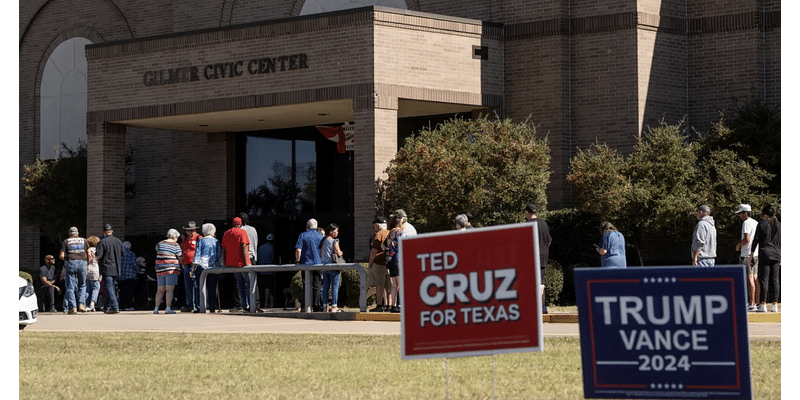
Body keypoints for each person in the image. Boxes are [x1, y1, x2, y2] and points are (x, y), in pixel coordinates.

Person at [751, 204, 781, 313]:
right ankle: (774, 304)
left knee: (764, 279)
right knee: (775, 279)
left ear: (766, 214)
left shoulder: (762, 224)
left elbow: (756, 239)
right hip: (777, 254)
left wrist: (751, 253)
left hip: (765, 253)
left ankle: (763, 304)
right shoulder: (780, 225)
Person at [524, 203, 551, 314]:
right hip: (543, 257)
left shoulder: (527, 225)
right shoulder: (544, 224)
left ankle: (532, 307)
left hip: (531, 258)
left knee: (530, 282)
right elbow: (549, 241)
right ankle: (543, 306)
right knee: (541, 283)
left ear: (528, 212)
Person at [221, 217, 252, 312]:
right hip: (242, 263)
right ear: (241, 224)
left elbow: (224, 249)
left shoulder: (226, 233)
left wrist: (224, 263)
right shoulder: (242, 232)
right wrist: (246, 262)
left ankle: (244, 305)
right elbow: (243, 246)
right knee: (249, 284)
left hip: (232, 263)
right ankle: (251, 305)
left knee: (240, 284)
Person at [59, 226, 90, 314]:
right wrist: (87, 263)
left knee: (70, 286)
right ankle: (82, 304)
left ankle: (73, 307)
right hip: (82, 262)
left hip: (71, 262)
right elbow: (89, 254)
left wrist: (68, 261)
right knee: (82, 285)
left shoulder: (66, 241)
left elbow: (61, 255)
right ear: (77, 233)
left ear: (70, 234)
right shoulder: (84, 240)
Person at [295, 218, 324, 312]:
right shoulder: (320, 236)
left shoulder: (303, 235)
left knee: (306, 285)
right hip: (318, 263)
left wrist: (297, 261)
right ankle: (316, 306)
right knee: (317, 286)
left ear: (307, 226)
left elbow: (298, 250)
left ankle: (305, 306)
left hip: (305, 264)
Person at [735, 204, 760, 311]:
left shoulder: (746, 223)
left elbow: (747, 239)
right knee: (755, 278)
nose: (740, 216)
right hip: (756, 253)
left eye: (741, 213)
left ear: (745, 213)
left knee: (749, 278)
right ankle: (758, 302)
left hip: (746, 254)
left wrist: (738, 245)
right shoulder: (756, 222)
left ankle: (751, 303)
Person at [194, 223, 223, 313]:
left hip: (202, 266)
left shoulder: (201, 241)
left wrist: (194, 265)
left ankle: (201, 306)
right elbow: (219, 254)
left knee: (201, 287)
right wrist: (220, 265)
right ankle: (212, 307)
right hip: (213, 267)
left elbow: (197, 254)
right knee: (212, 287)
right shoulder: (216, 241)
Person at [96, 224, 124, 314]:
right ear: (111, 231)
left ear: (104, 232)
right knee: (111, 287)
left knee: (109, 288)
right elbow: (123, 253)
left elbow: (99, 255)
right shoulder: (118, 241)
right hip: (116, 267)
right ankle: (107, 307)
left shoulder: (102, 242)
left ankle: (115, 307)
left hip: (107, 267)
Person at [384, 210, 407, 313]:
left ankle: (392, 305)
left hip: (390, 260)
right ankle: (400, 305)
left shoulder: (390, 232)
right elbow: (402, 245)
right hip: (397, 259)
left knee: (394, 284)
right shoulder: (399, 232)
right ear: (400, 222)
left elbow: (383, 245)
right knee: (400, 283)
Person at [154, 229, 182, 314]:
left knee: (160, 289)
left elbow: (156, 249)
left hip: (159, 268)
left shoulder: (160, 243)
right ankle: (168, 308)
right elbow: (179, 256)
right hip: (171, 268)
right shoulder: (175, 245)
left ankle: (156, 308)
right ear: (175, 237)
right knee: (169, 289)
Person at [318, 223, 344, 312]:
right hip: (333, 267)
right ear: (331, 232)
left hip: (325, 267)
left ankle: (325, 306)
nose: (337, 233)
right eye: (336, 231)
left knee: (325, 287)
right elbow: (339, 253)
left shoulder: (323, 241)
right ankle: (334, 306)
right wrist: (341, 252)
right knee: (334, 287)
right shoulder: (334, 241)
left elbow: (320, 253)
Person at [368, 217, 391, 312]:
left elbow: (374, 251)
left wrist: (370, 264)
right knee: (389, 286)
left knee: (379, 285)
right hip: (390, 263)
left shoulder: (379, 234)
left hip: (379, 263)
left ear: (377, 226)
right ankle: (390, 305)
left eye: (374, 226)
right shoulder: (391, 233)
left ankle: (379, 305)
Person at [180, 221, 203, 313]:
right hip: (186, 265)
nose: (188, 232)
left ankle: (197, 305)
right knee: (188, 286)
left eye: (189, 230)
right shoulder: (185, 238)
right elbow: (183, 250)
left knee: (196, 286)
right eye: (187, 230)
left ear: (194, 230)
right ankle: (189, 305)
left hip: (195, 266)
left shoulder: (199, 238)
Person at [118, 241, 139, 311]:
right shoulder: (131, 254)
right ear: (130, 247)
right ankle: (128, 305)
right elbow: (134, 264)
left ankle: (121, 305)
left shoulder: (119, 254)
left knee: (122, 291)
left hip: (121, 275)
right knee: (129, 291)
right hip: (130, 275)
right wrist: (138, 270)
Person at [257, 233, 275, 308]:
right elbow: (273, 259)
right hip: (269, 271)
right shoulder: (272, 248)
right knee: (268, 287)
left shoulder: (261, 247)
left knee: (262, 287)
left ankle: (263, 302)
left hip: (261, 270)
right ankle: (266, 303)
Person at [84, 236, 101, 312]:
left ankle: (86, 304)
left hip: (87, 269)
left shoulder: (86, 250)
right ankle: (92, 303)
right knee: (95, 288)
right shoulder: (98, 250)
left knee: (87, 288)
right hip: (95, 270)